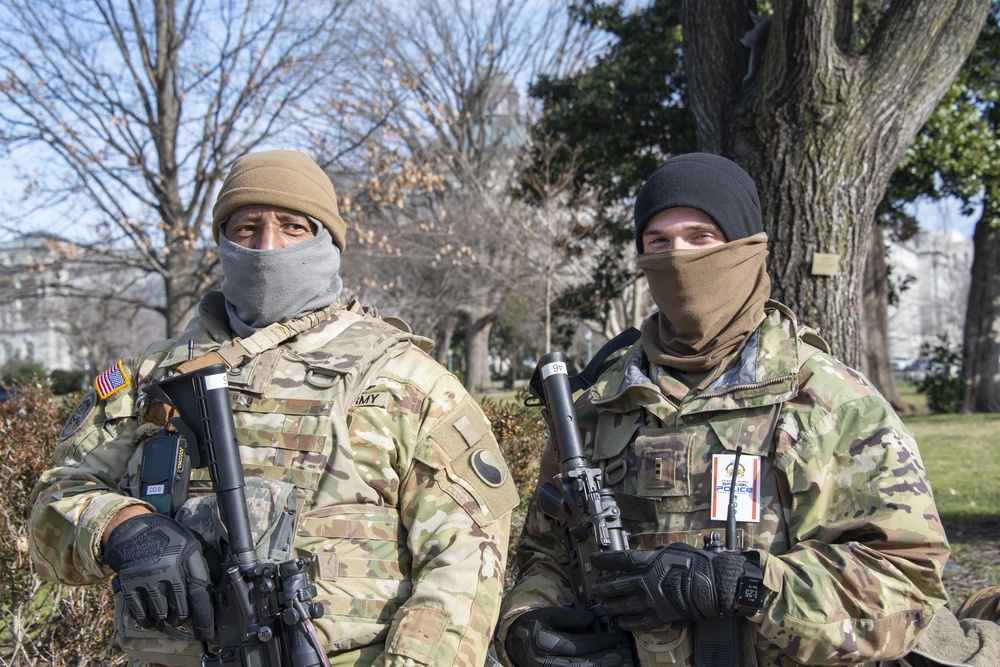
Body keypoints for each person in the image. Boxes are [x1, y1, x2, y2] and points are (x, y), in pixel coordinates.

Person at [493, 153, 997, 666]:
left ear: (748, 248)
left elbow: (907, 585)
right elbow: (547, 554)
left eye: (700, 237)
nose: (678, 257)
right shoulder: (595, 406)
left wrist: (748, 586)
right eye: (658, 243)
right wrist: (527, 625)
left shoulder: (828, 401)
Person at [28, 149, 519, 667]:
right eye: (246, 229)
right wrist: (121, 527)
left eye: (292, 227)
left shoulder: (404, 380)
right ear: (222, 240)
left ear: (327, 241)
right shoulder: (153, 379)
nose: (268, 247)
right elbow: (53, 503)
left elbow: (466, 564)